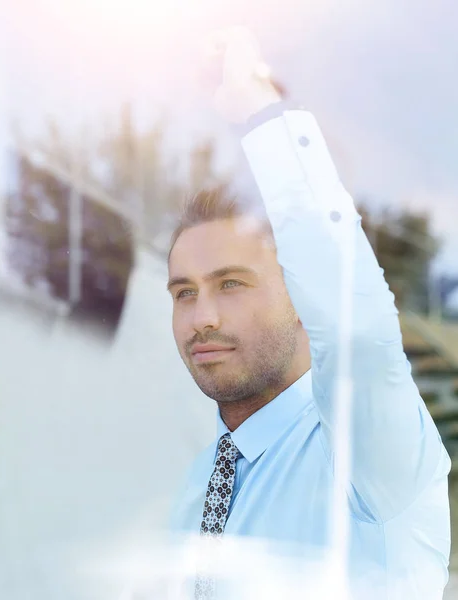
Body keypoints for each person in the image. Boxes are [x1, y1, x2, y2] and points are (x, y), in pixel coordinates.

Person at [167, 28, 451, 599]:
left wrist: (260, 115)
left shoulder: (364, 452)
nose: (202, 317)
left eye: (231, 284)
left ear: (303, 296)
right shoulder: (199, 482)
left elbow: (357, 331)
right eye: (184, 292)